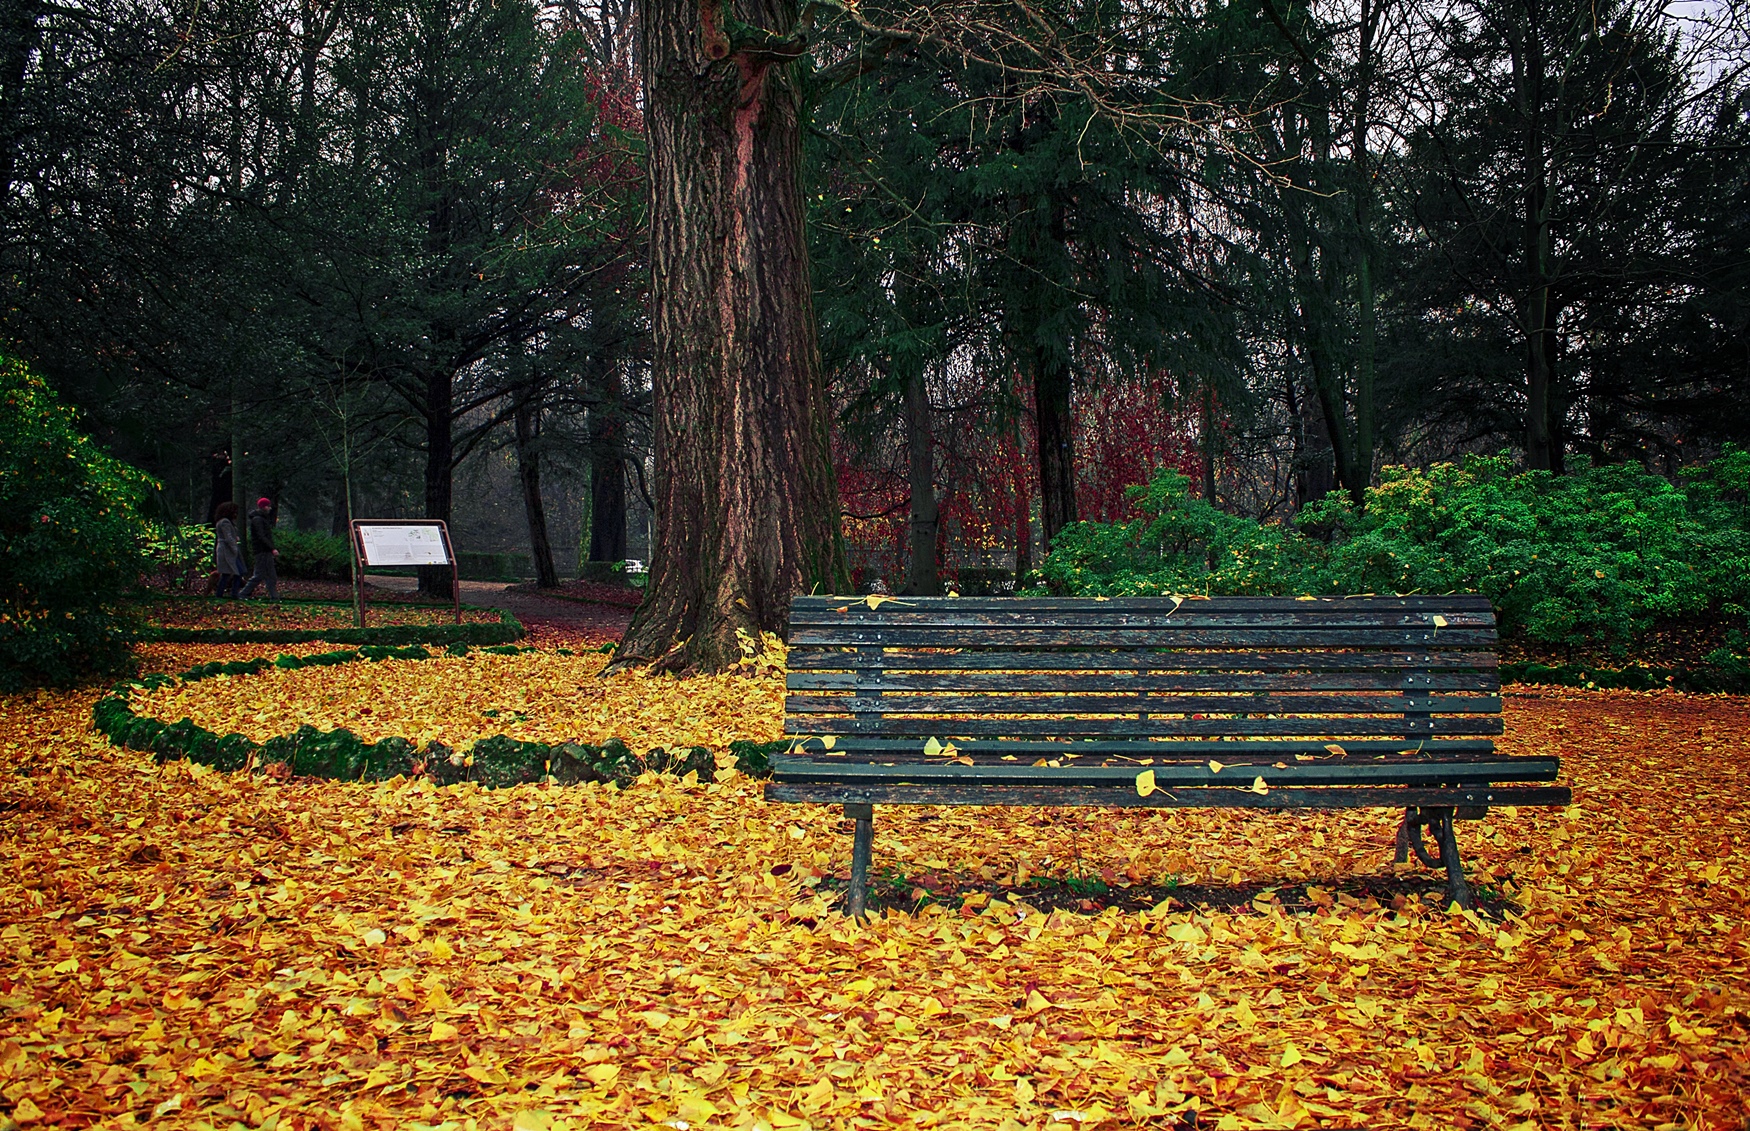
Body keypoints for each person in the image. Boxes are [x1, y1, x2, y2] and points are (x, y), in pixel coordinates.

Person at [239, 497, 279, 601]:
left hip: (263, 550)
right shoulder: (258, 520)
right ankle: (243, 593)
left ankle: (274, 596)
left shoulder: (259, 519)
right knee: (260, 574)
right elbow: (262, 536)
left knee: (271, 575)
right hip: (262, 551)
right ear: (264, 507)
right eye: (268, 506)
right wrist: (272, 548)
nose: (269, 508)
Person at [213, 502, 243, 597]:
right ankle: (231, 594)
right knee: (233, 573)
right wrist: (234, 548)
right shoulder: (225, 522)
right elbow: (228, 537)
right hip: (227, 551)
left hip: (227, 550)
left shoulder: (224, 522)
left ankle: (224, 593)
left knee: (230, 573)